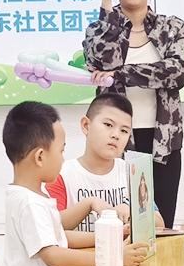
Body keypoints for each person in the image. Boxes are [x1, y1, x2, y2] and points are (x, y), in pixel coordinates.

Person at [1, 100, 146, 266]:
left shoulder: (33, 196)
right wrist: (113, 258)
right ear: (40, 157)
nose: (63, 158)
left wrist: (111, 237)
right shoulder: (30, 203)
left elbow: (60, 236)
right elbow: (53, 255)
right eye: (61, 151)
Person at [82, 0, 184, 229]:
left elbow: (177, 72)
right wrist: (106, 2)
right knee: (120, 223)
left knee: (160, 224)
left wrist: (122, 74)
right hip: (116, 141)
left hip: (163, 141)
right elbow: (101, 60)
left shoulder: (172, 27)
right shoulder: (99, 28)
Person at [50, 90, 134, 243]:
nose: (116, 135)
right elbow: (51, 230)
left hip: (125, 257)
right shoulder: (60, 174)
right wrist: (108, 237)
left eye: (124, 131)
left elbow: (159, 222)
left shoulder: (131, 171)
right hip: (77, 259)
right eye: (108, 125)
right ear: (86, 125)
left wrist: (133, 213)